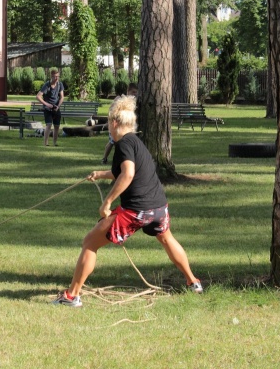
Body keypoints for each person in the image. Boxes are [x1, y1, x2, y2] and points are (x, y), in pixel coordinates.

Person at [52, 95, 202, 307]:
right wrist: (100, 174)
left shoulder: (123, 144)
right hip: (158, 207)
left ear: (114, 122)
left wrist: (107, 202)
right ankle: (193, 282)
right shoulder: (135, 142)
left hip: (136, 210)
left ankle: (71, 296)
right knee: (167, 239)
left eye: (108, 122)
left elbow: (128, 174)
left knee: (90, 242)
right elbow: (126, 171)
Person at [101, 83, 137, 164]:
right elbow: (111, 110)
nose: (134, 94)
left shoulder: (133, 103)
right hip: (116, 125)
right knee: (112, 142)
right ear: (128, 91)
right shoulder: (120, 100)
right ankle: (104, 158)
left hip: (125, 126)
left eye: (136, 92)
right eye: (133, 92)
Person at [36, 68, 64, 147]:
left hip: (56, 108)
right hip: (47, 109)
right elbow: (38, 96)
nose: (56, 78)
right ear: (51, 76)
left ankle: (55, 143)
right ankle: (46, 143)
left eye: (58, 76)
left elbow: (62, 97)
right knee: (48, 125)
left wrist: (58, 106)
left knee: (57, 126)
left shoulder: (60, 84)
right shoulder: (47, 85)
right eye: (55, 77)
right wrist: (47, 104)